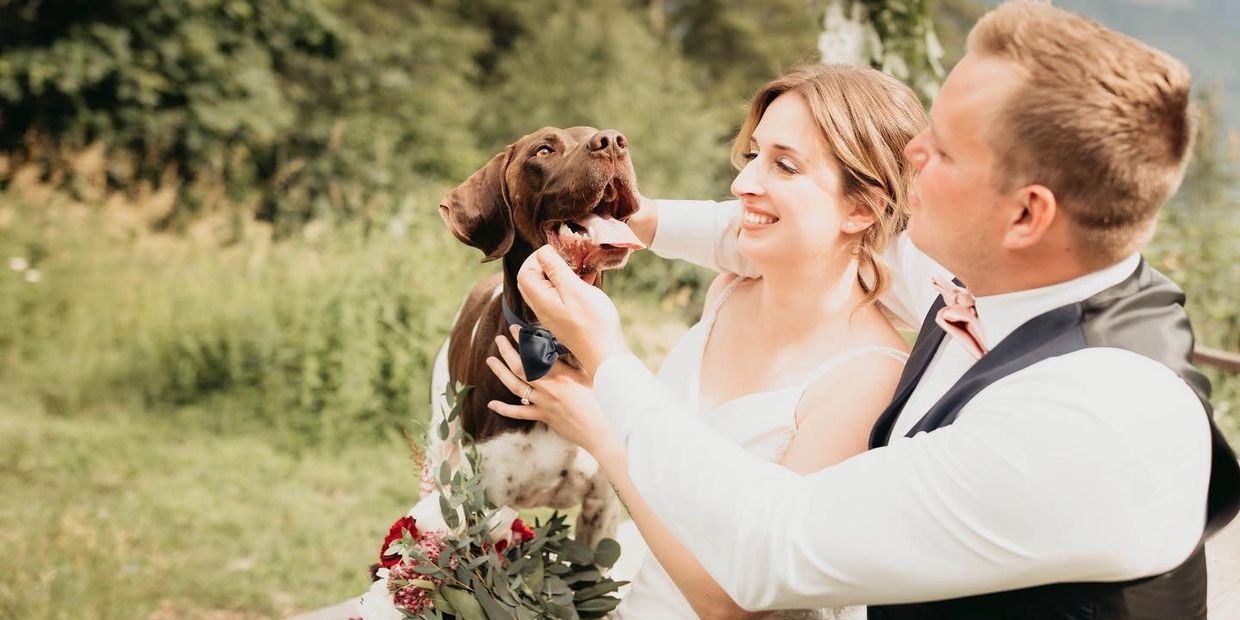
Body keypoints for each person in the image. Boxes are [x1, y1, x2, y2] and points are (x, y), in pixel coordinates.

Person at [490, 1, 1240, 618]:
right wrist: (641, 221)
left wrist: (610, 366)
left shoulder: (1088, 421)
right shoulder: (1001, 271)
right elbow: (787, 241)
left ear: (1026, 216)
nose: (909, 153)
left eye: (941, 152)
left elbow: (768, 554)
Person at [489, 64, 927, 619]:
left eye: (785, 165)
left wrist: (602, 425)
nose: (743, 184)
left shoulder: (869, 380)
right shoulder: (732, 290)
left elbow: (736, 604)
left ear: (862, 208)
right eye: (753, 157)